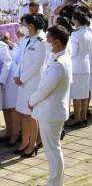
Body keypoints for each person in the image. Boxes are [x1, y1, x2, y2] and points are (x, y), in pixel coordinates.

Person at [29, 26, 72, 186]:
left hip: (51, 112)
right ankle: (54, 183)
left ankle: (54, 184)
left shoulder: (59, 63)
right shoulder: (57, 58)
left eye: (48, 40)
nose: (46, 42)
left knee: (53, 151)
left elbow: (45, 89)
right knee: (53, 150)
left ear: (58, 42)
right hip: (51, 111)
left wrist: (31, 100)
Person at [14, 13, 47, 157]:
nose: (22, 27)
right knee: (22, 113)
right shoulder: (28, 39)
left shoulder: (41, 41)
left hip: (32, 83)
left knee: (31, 116)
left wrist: (22, 77)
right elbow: (21, 59)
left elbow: (37, 65)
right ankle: (24, 142)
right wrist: (17, 74)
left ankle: (32, 145)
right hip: (23, 82)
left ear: (31, 26)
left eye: (24, 25)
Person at [68, 12, 92, 128]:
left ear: (76, 20)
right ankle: (83, 117)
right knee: (84, 93)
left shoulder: (75, 34)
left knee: (77, 95)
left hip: (77, 66)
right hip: (86, 65)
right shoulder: (88, 32)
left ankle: (77, 118)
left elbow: (73, 52)